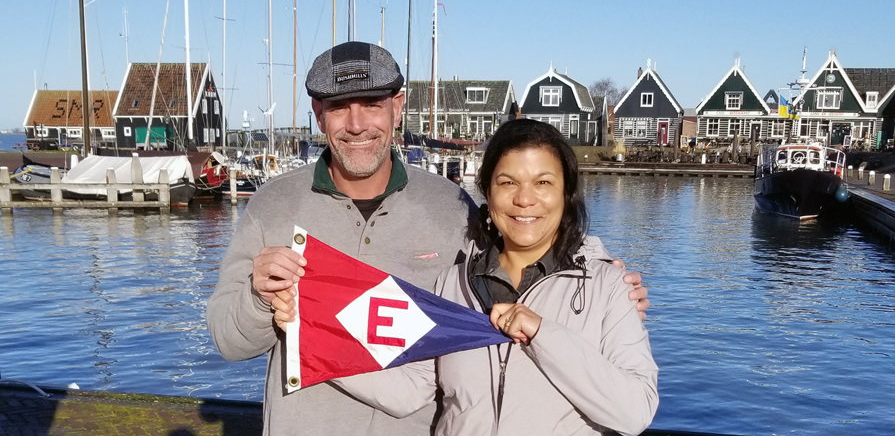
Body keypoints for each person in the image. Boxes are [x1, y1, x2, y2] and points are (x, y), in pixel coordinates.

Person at [207, 41, 649, 436]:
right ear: (318, 112)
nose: (357, 124)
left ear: (397, 106)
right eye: (339, 107)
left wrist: (604, 270)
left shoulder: (451, 207)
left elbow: (526, 235)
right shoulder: (272, 204)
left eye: (372, 103)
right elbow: (230, 341)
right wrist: (261, 300)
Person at [276, 118, 658, 435]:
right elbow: (410, 391)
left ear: (566, 193)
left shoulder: (607, 287)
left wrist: (544, 334)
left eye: (543, 183)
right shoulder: (451, 285)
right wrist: (306, 332)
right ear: (488, 194)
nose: (524, 199)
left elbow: (634, 412)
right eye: (508, 182)